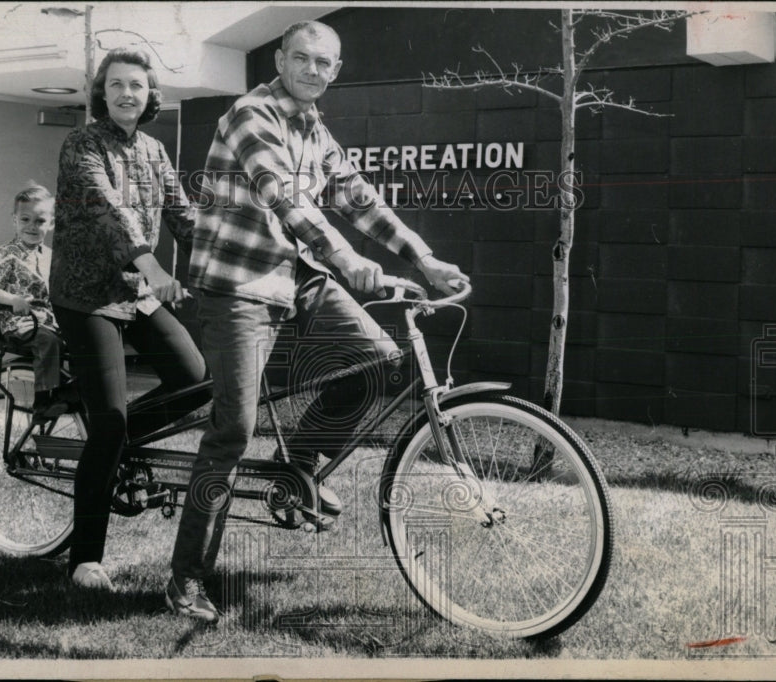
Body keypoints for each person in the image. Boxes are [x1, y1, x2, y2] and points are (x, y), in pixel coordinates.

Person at [166, 20, 469, 623]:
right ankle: (186, 579)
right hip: (237, 287)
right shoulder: (251, 114)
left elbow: (359, 198)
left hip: (296, 277)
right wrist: (351, 263)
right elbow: (288, 200)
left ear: (335, 71)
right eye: (300, 58)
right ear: (278, 59)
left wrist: (422, 256)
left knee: (379, 363)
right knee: (233, 426)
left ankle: (296, 470)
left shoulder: (315, 128)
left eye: (323, 63)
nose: (310, 69)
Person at [49, 48, 210, 591]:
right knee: (112, 423)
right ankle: (85, 561)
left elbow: (185, 217)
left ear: (149, 94)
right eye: (115, 85)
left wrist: (236, 263)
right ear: (102, 92)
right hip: (86, 296)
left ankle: (109, 442)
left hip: (135, 291)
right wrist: (151, 263)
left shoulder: (155, 150)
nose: (126, 94)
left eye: (136, 86)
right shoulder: (81, 144)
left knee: (193, 379)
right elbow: (105, 209)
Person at [0, 183, 68, 419]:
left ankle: (73, 393)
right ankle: (43, 401)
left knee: (84, 337)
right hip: (19, 321)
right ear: (14, 220)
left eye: (39, 221)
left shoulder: (51, 255)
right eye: (25, 219)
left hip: (46, 320)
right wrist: (14, 299)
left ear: (50, 224)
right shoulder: (5, 254)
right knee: (47, 341)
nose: (32, 227)